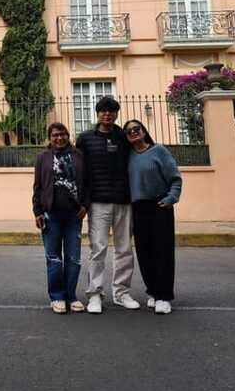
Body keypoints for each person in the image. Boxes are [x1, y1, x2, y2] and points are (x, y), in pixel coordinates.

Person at [75, 96, 140, 314]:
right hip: (98, 203)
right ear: (97, 113)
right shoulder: (85, 139)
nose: (107, 115)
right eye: (103, 111)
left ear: (116, 114)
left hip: (124, 201)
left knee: (124, 249)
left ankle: (121, 293)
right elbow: (81, 173)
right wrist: (83, 202)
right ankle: (95, 294)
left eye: (111, 111)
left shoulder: (124, 137)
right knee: (98, 249)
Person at [123, 119, 182, 315]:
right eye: (129, 131)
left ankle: (164, 296)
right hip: (138, 208)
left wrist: (171, 198)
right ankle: (152, 291)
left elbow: (175, 178)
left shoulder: (159, 151)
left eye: (136, 129)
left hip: (159, 205)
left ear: (144, 130)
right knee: (145, 252)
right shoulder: (128, 156)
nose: (133, 132)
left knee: (162, 252)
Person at [32, 122, 88, 314]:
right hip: (51, 214)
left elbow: (88, 183)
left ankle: (71, 296)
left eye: (63, 134)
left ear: (68, 135)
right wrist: (37, 211)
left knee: (73, 258)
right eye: (55, 135)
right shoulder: (43, 158)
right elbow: (38, 187)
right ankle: (57, 297)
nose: (59, 138)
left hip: (74, 215)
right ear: (50, 137)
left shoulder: (78, 156)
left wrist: (85, 205)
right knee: (53, 258)